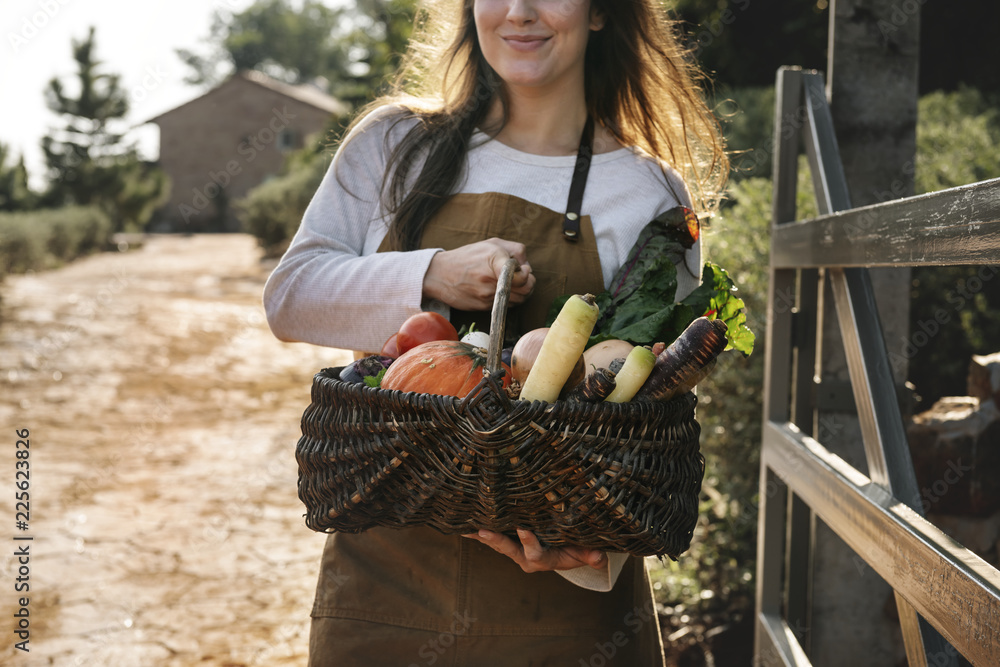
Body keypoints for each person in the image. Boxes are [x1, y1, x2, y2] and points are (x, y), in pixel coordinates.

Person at [264, 0, 728, 664]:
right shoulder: (395, 146)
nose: (519, 12)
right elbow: (290, 297)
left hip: (569, 615)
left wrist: (586, 552)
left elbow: (653, 416)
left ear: (601, 13)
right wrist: (432, 274)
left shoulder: (647, 192)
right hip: (384, 595)